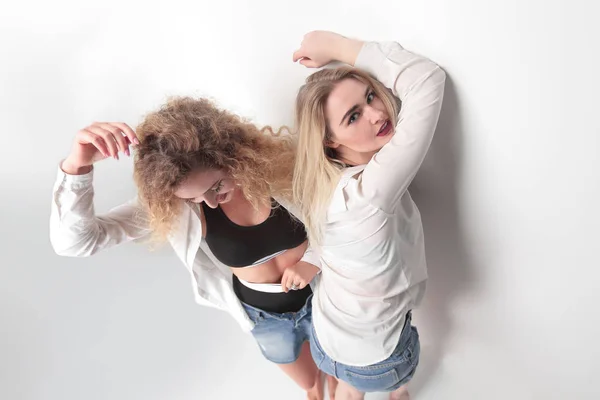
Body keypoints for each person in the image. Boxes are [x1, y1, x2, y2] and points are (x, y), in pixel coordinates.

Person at [50, 97, 326, 399]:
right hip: (263, 318)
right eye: (194, 198)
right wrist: (77, 165)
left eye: (216, 186)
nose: (209, 202)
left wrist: (314, 258)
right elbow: (75, 243)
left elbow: (346, 222)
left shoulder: (281, 169)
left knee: (341, 374)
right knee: (311, 385)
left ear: (231, 156)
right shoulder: (179, 209)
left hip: (327, 297)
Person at [291, 31, 446, 400]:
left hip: (327, 340)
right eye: (354, 116)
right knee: (391, 383)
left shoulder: (322, 184)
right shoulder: (371, 190)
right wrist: (338, 47)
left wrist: (312, 259)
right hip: (380, 356)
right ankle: (398, 392)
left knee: (348, 388)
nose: (378, 114)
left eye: (371, 95)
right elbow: (428, 79)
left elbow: (331, 242)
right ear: (330, 139)